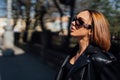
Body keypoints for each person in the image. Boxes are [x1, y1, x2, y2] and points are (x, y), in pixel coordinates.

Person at [55, 9, 120, 80]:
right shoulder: (73, 52)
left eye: (80, 21)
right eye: (74, 19)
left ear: (91, 31)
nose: (73, 22)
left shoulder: (103, 61)